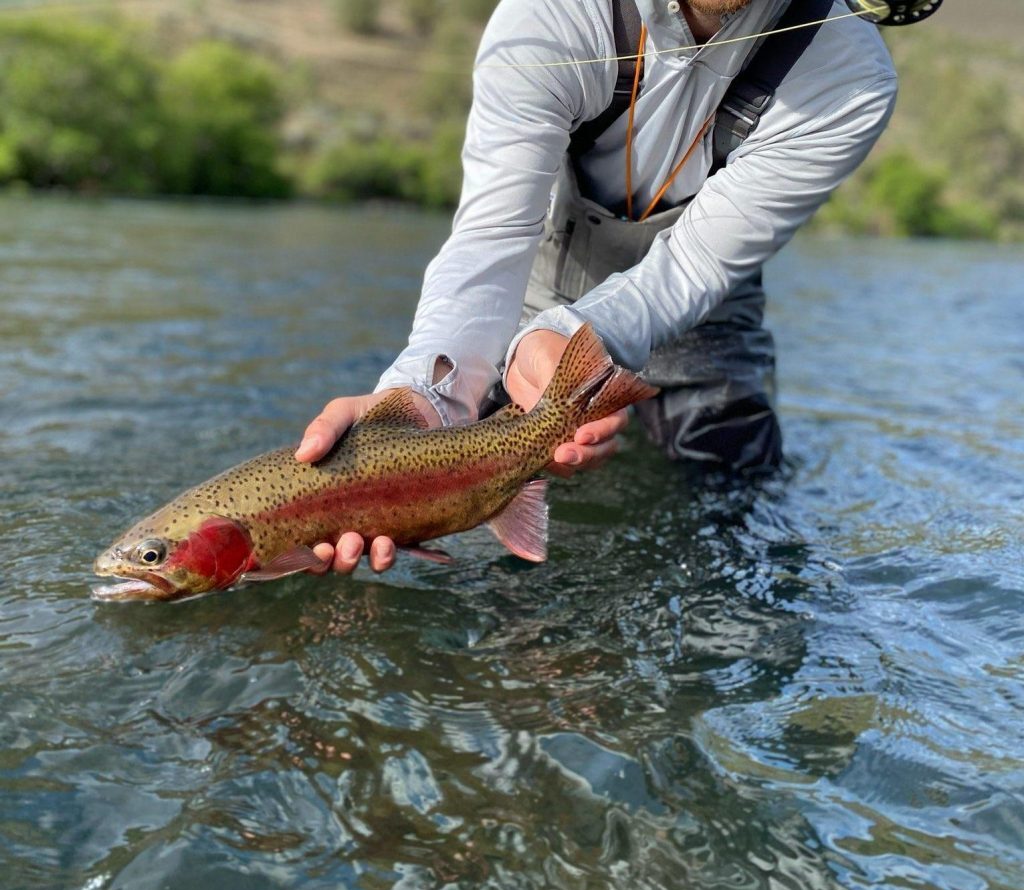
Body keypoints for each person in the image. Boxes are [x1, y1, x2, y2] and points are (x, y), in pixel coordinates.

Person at [294, 0, 897, 574]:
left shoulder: (847, 74)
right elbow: (494, 237)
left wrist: (576, 340)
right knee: (475, 537)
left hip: (703, 302)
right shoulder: (553, 15)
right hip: (540, 267)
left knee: (735, 512)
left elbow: (694, 267)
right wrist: (428, 395)